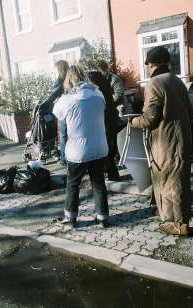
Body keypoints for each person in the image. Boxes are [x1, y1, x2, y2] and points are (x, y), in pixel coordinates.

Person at [130, 46, 193, 236]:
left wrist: (132, 121)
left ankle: (179, 224)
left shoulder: (155, 83)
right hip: (182, 137)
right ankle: (172, 218)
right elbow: (190, 112)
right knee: (180, 178)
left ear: (151, 65)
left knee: (169, 181)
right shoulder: (178, 81)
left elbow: (149, 118)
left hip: (165, 141)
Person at [53, 65, 109, 229]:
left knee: (73, 184)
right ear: (84, 77)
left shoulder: (67, 99)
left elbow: (57, 113)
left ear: (68, 80)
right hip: (99, 147)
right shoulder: (98, 94)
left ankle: (70, 218)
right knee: (98, 183)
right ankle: (103, 217)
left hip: (78, 150)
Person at [87, 70, 120, 181]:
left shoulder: (98, 92)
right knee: (109, 147)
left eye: (89, 81)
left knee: (106, 148)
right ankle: (111, 172)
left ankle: (111, 173)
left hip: (104, 121)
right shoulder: (105, 88)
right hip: (111, 119)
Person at [42, 60, 69, 165]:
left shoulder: (60, 80)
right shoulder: (71, 77)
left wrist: (43, 104)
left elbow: (53, 94)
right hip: (74, 107)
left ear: (59, 68)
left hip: (65, 109)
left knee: (63, 134)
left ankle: (64, 159)